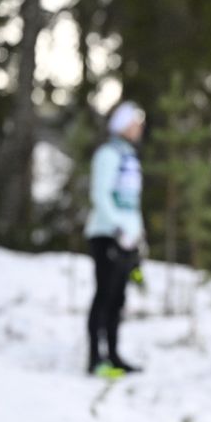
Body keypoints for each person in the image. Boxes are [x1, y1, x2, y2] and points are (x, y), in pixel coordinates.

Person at [85, 100, 146, 376]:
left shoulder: (130, 157)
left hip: (127, 239)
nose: (139, 127)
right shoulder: (108, 155)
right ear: (123, 124)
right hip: (106, 236)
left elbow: (132, 204)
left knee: (119, 298)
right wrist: (118, 229)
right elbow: (100, 196)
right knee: (104, 296)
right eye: (135, 122)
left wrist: (137, 235)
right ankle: (95, 359)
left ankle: (113, 354)